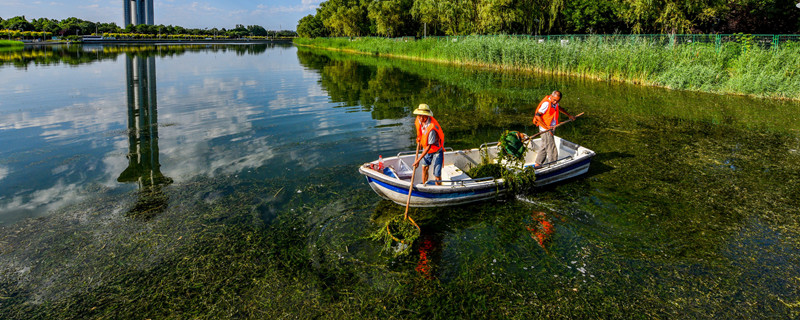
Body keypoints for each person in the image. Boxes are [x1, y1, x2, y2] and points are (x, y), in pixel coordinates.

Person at [532, 91, 575, 168]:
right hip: (546, 130)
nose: (555, 102)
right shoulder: (546, 104)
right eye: (554, 100)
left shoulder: (555, 103)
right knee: (551, 148)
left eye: (557, 101)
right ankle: (553, 166)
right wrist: (546, 127)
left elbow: (559, 108)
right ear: (551, 96)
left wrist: (569, 115)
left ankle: (538, 164)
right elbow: (537, 115)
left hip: (550, 128)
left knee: (544, 146)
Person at [412, 104, 444, 186]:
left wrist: (417, 160)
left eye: (424, 116)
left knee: (437, 174)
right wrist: (418, 141)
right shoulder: (419, 120)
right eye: (420, 116)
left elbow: (429, 147)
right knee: (424, 167)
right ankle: (424, 186)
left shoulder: (431, 128)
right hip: (427, 148)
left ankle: (439, 190)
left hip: (436, 150)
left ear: (427, 116)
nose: (422, 118)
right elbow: (420, 133)